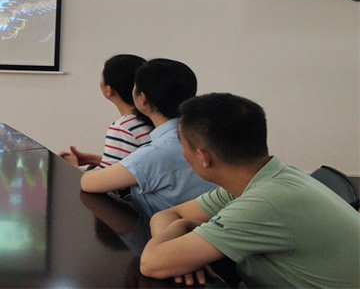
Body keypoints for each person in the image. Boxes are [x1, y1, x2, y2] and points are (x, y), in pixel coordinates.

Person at [140, 93, 360, 287]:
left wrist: (182, 228)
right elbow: (166, 215)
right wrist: (181, 254)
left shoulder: (265, 201)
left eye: (184, 146)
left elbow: (151, 263)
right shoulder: (263, 178)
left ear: (203, 157)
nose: (183, 154)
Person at [79, 59, 212, 217]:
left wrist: (79, 166)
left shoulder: (158, 150)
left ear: (142, 99)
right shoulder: (205, 135)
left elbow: (88, 183)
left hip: (161, 229)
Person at [61, 54, 152, 169]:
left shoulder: (123, 128)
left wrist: (72, 166)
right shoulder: (151, 118)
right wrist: (92, 159)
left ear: (109, 90)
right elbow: (131, 165)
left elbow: (106, 179)